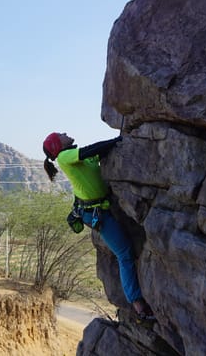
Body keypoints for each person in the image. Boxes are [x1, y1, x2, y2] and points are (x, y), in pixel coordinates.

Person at [42, 132, 153, 319]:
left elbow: (96, 154)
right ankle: (138, 306)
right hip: (97, 213)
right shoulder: (64, 157)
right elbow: (93, 149)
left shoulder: (75, 157)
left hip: (104, 207)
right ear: (57, 145)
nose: (65, 134)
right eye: (61, 135)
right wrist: (118, 140)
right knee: (124, 254)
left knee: (127, 249)